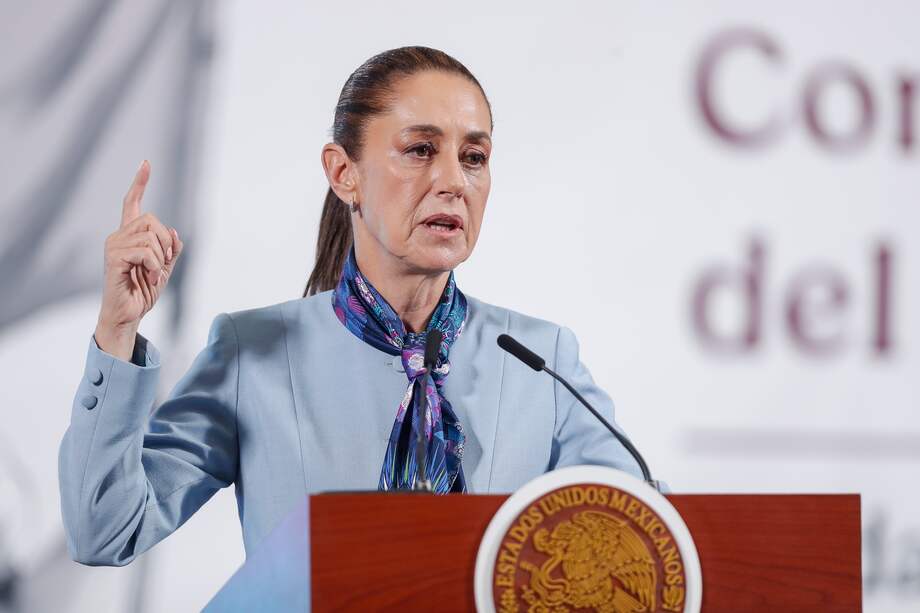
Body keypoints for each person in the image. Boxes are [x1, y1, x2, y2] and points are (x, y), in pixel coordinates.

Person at [58, 46, 643, 568]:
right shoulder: (252, 353)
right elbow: (105, 531)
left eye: (473, 156)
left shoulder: (542, 361)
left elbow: (640, 539)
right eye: (419, 150)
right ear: (344, 173)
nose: (453, 181)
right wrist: (118, 328)